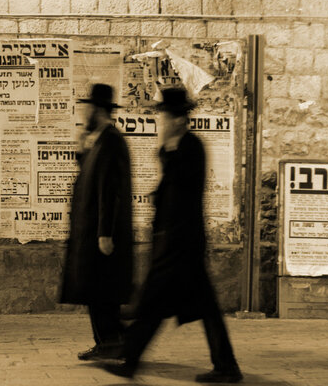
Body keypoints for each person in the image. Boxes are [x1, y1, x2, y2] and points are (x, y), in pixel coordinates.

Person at [102, 86, 243, 383]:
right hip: (176, 241)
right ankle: (225, 365)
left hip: (182, 242)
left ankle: (132, 360)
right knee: (197, 307)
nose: (162, 122)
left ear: (178, 119)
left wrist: (167, 150)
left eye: (165, 116)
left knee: (154, 303)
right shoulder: (177, 146)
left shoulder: (191, 147)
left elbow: (185, 191)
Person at [60, 83, 134, 361]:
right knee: (96, 290)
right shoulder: (100, 140)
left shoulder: (112, 141)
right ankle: (108, 342)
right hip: (91, 232)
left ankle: (114, 341)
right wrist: (81, 151)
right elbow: (91, 179)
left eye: (88, 107)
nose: (84, 112)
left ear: (99, 110)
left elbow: (110, 190)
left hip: (101, 233)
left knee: (102, 290)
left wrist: (105, 232)